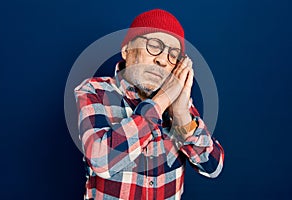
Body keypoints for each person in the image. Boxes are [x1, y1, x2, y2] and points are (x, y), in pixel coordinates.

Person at [74, 9, 224, 200]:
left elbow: (213, 167)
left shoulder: (179, 103)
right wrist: (160, 102)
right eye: (154, 45)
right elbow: (101, 160)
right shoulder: (94, 91)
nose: (162, 60)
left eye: (173, 55)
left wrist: (180, 114)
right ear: (126, 50)